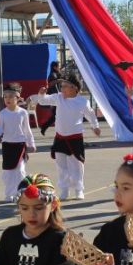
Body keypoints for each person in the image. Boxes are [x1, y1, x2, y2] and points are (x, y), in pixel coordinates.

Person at [35, 72, 101, 200]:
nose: (63, 88)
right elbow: (43, 101)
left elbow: (91, 114)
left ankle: (78, 189)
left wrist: (95, 126)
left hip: (75, 138)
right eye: (62, 85)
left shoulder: (82, 101)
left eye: (66, 86)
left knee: (77, 165)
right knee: (61, 165)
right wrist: (41, 94)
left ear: (75, 88)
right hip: (60, 138)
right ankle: (64, 189)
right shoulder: (59, 97)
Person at [0, 83, 37, 203]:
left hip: (20, 145)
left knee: (20, 171)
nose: (7, 99)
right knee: (8, 172)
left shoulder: (23, 113)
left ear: (17, 98)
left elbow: (27, 130)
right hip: (7, 146)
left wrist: (31, 144)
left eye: (11, 96)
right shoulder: (2, 114)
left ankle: (21, 193)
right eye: (5, 96)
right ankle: (9, 194)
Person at [40, 60, 61, 135]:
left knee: (56, 116)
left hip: (55, 99)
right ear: (55, 67)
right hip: (55, 99)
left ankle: (44, 127)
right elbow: (53, 86)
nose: (60, 67)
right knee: (56, 115)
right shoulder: (53, 75)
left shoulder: (55, 74)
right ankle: (44, 127)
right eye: (58, 66)